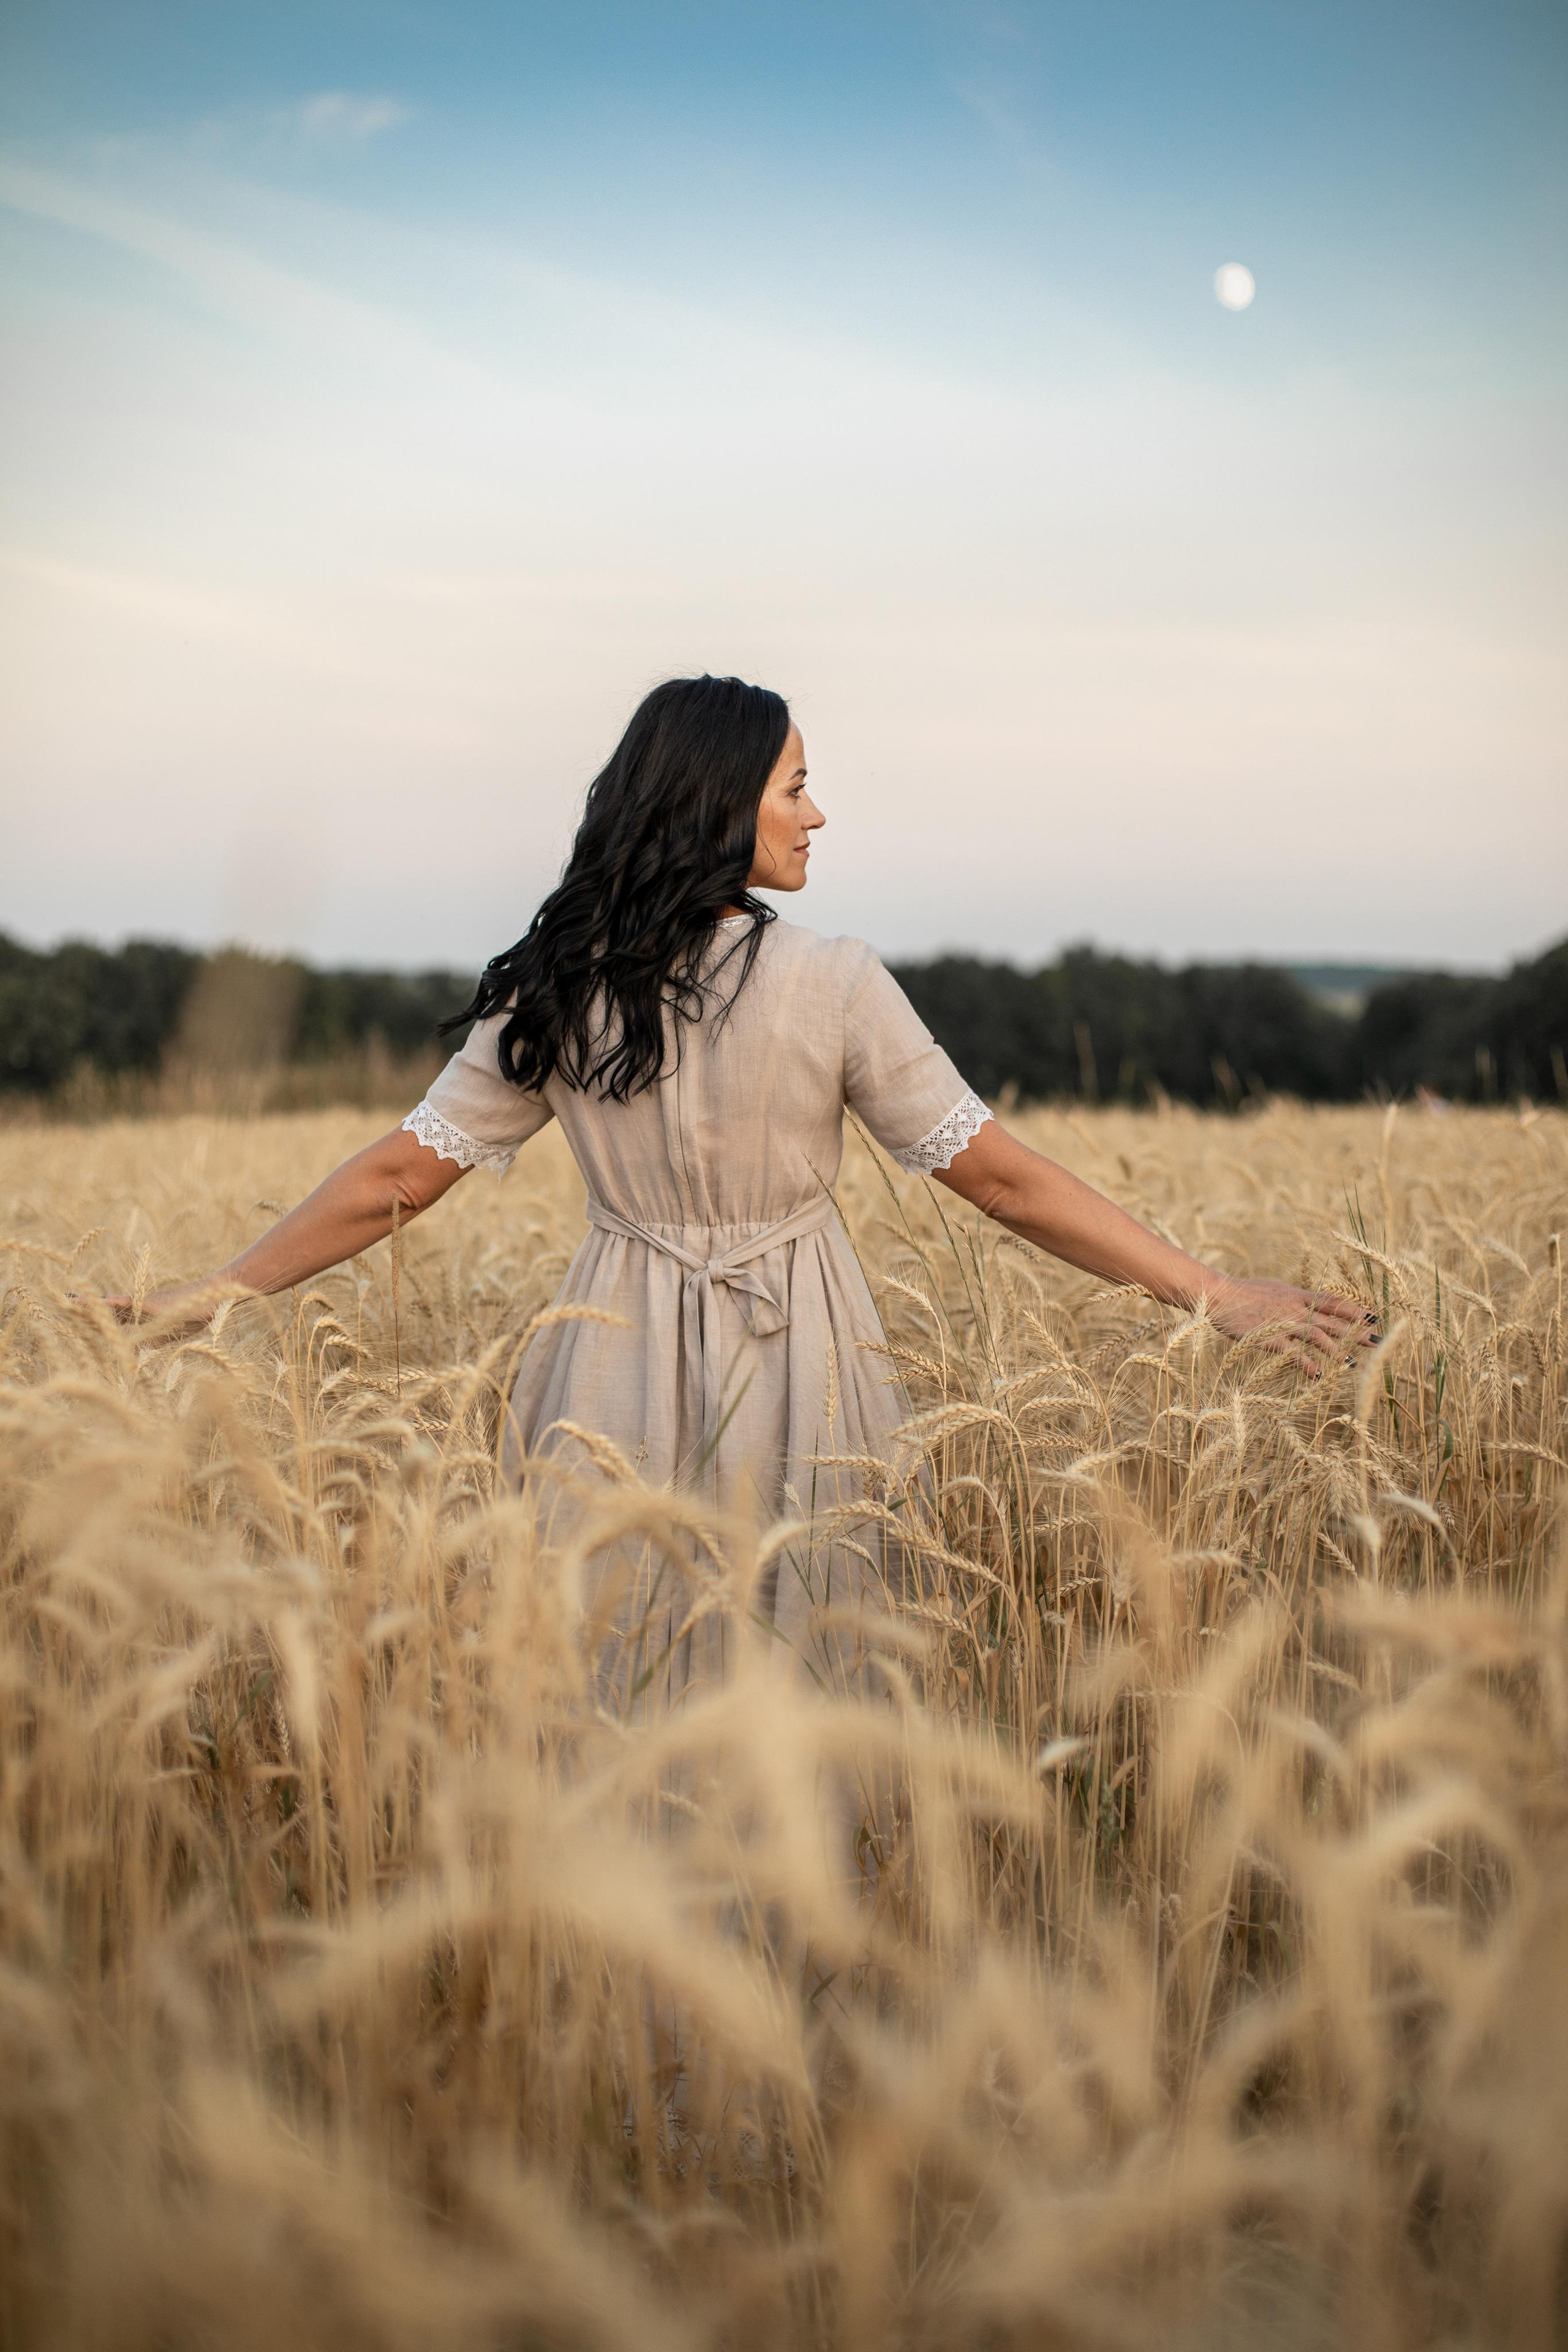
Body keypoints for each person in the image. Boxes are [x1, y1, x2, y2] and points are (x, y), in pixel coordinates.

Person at [114, 674, 1372, 1702]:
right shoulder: (833, 980)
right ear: (723, 803)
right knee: (814, 1675)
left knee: (607, 1676)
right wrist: (1206, 1293)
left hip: (602, 1366)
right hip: (804, 1355)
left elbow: (395, 1177)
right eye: (797, 784)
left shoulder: (559, 988)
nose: (816, 816)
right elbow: (998, 1179)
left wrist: (214, 1293)